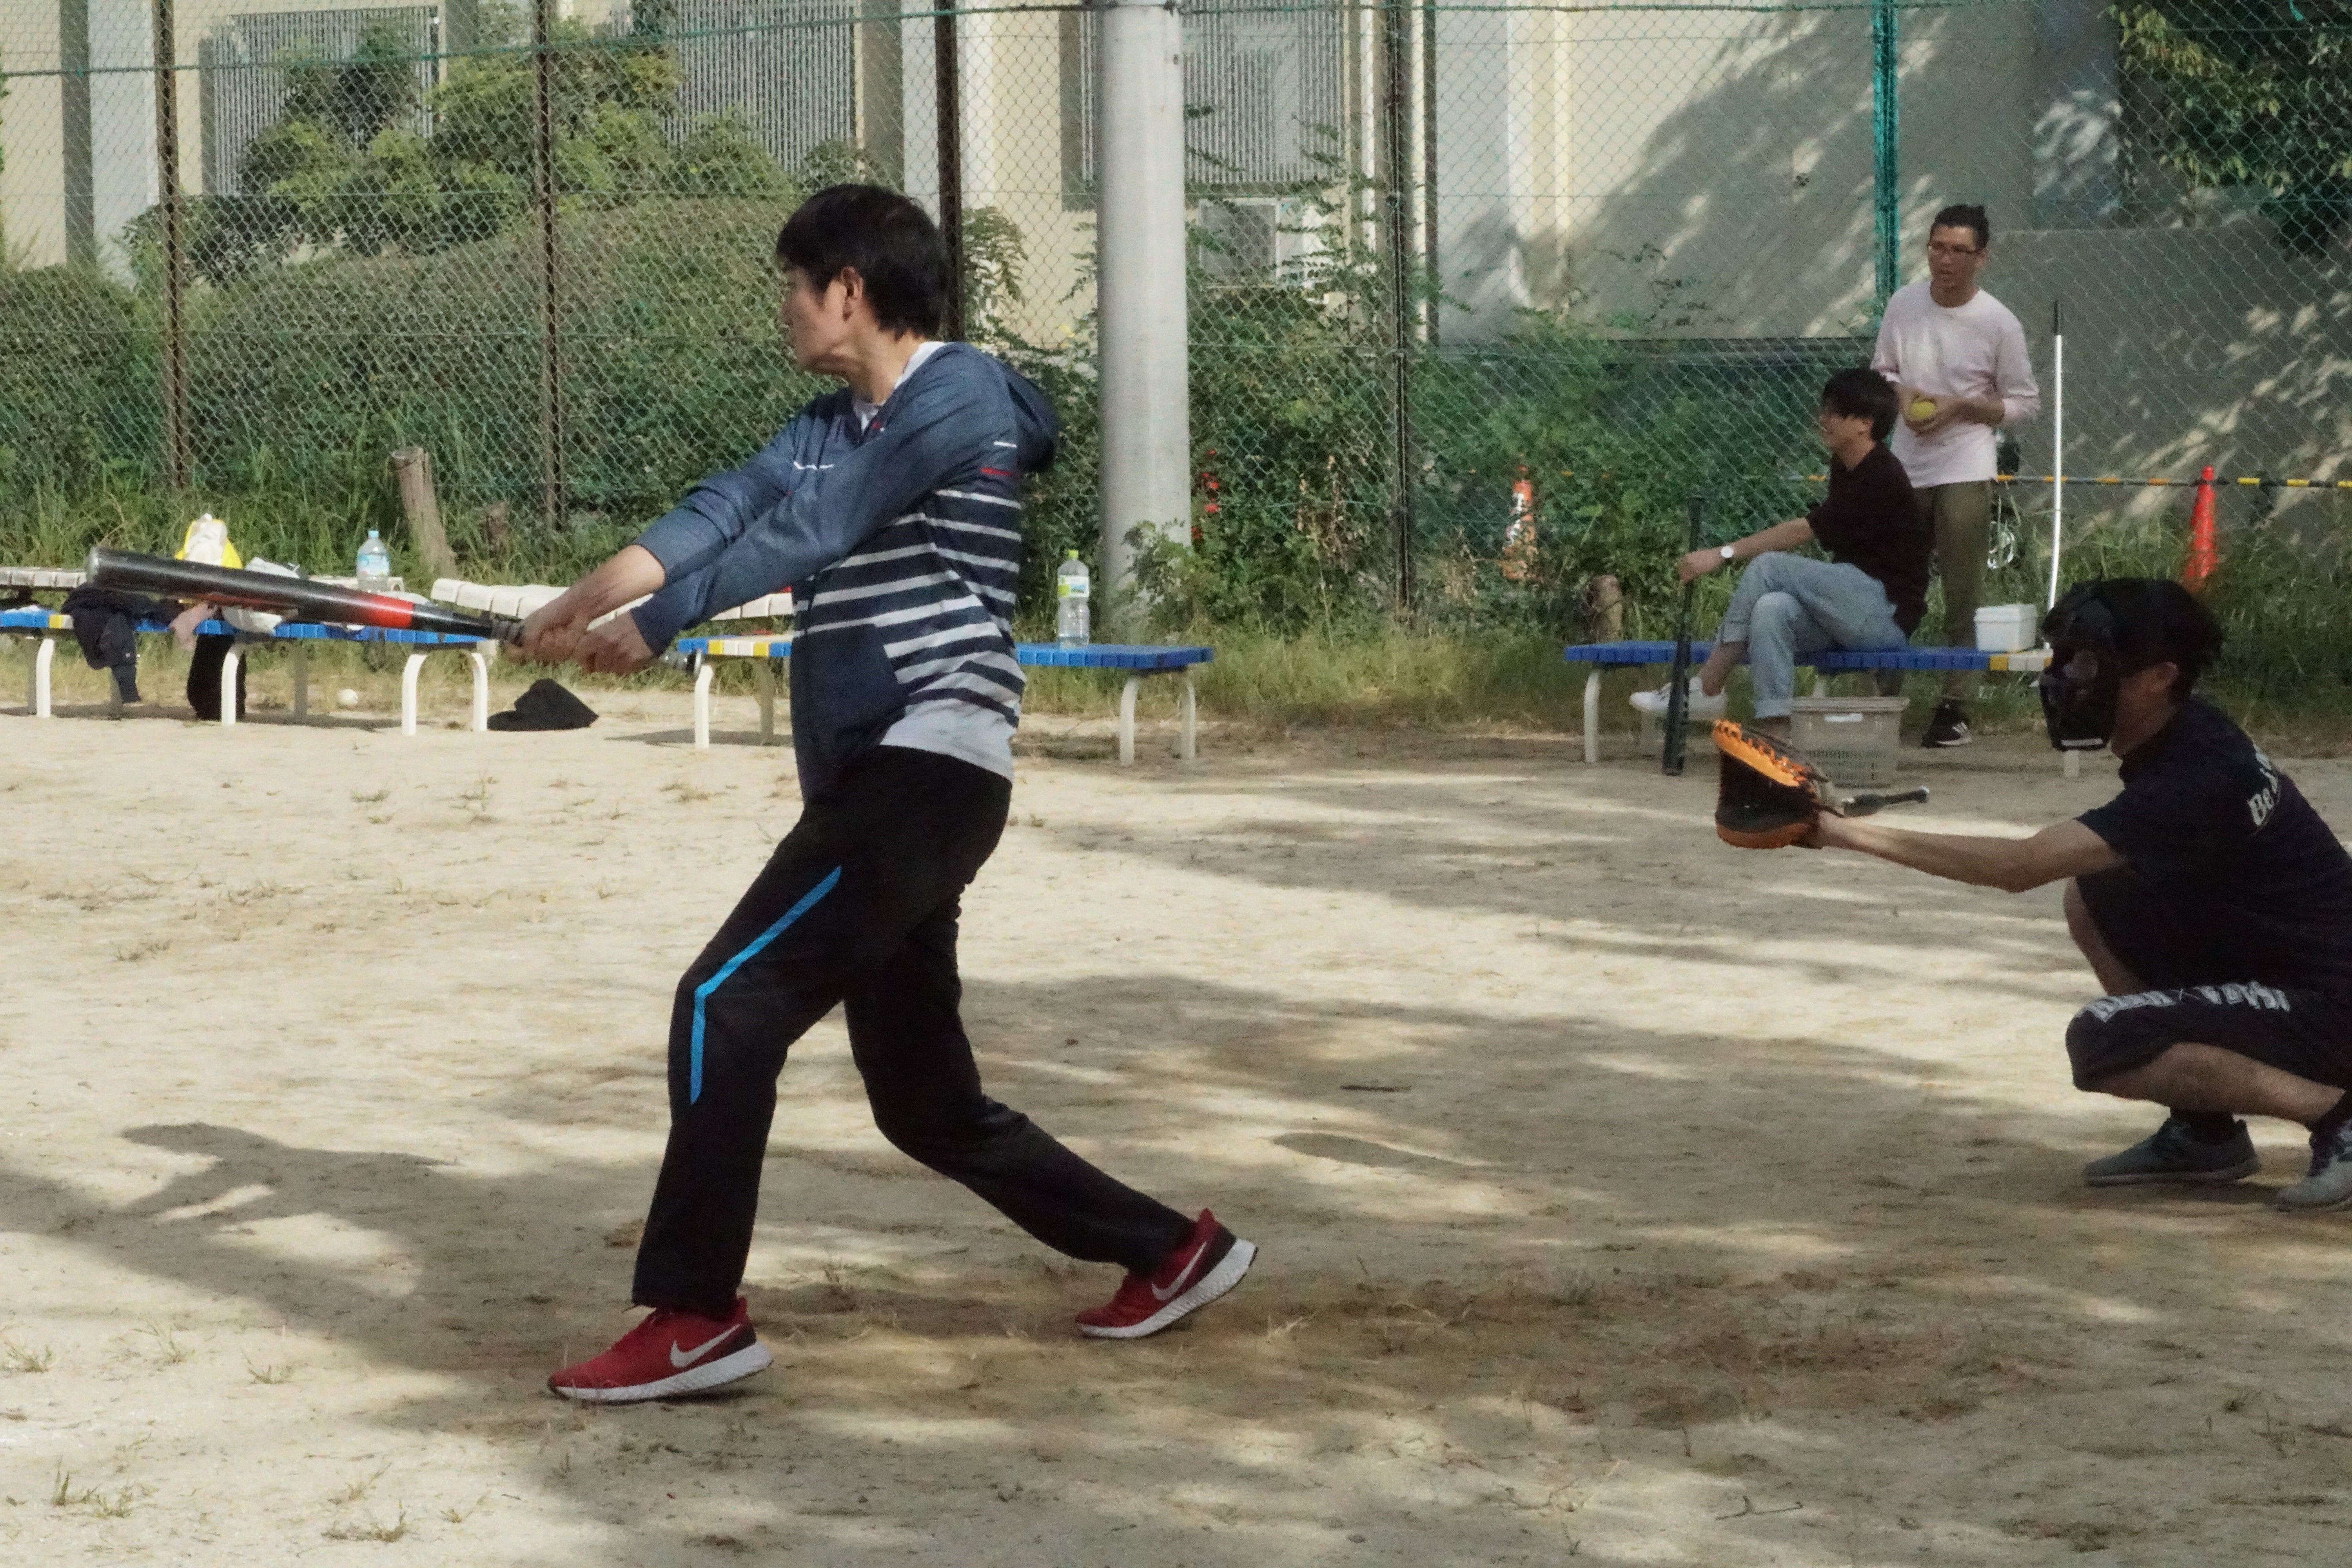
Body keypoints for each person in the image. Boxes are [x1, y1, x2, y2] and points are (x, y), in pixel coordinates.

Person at [518, 185, 1256, 1403]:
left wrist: (659, 622)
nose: (783, 309)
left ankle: (695, 1316)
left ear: (848, 291)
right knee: (924, 1103)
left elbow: (817, 527)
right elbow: (729, 509)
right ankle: (1172, 1249)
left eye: (793, 287)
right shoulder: (826, 425)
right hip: (881, 784)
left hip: (926, 769)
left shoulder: (958, 395)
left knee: (724, 1003)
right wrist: (586, 598)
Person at [1812, 578, 2352, 1209]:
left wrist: (1837, 832)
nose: (2066, 677)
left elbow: (2018, 866)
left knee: (2106, 1040)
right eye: (2066, 658)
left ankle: (2340, 1119)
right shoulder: (2191, 731)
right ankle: (2206, 1134)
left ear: (2159, 677)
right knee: (2102, 891)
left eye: (2090, 663)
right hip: (2306, 976)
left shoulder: (2195, 777)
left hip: (2332, 1006)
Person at [1632, 368, 1930, 734]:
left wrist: (1721, 554)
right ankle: (1775, 731)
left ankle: (1708, 686)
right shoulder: (1844, 466)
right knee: (1771, 609)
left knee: (1770, 566)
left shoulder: (1881, 474)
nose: (1823, 419)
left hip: (1885, 615)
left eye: (1834, 413)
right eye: (1824, 410)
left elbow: (1802, 531)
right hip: (1849, 610)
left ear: (1864, 424)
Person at [1871, 202, 2042, 748]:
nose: (1946, 260)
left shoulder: (1998, 322)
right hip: (1906, 465)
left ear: (1981, 257)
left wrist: (1962, 407)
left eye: (1960, 251)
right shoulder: (1904, 304)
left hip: (1966, 465)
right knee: (1895, 584)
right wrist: (1904, 397)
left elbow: (2024, 404)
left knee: (1963, 590)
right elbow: (1882, 371)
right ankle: (1882, 699)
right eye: (1938, 248)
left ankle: (1955, 705)